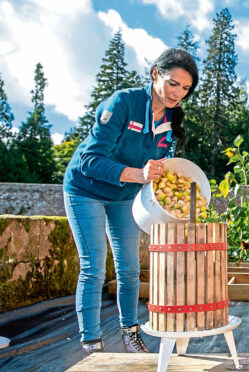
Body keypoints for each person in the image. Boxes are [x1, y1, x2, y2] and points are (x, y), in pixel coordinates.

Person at [63, 48, 198, 357]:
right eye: (173, 83)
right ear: (155, 74)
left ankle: (130, 332)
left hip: (125, 196)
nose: (178, 93)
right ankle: (91, 342)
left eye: (186, 88)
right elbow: (89, 161)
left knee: (130, 269)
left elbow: (159, 165)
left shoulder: (172, 118)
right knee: (94, 267)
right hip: (86, 190)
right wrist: (138, 173)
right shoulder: (123, 103)